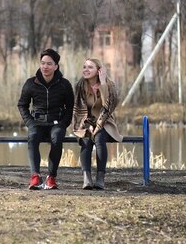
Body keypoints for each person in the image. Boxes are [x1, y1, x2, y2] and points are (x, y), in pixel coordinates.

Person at [17, 48, 75, 190]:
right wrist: (30, 122)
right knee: (33, 136)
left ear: (56, 66)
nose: (45, 67)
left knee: (57, 137)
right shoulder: (31, 83)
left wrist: (63, 123)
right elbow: (22, 105)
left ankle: (51, 177)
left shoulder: (64, 84)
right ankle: (35, 177)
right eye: (42, 63)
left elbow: (70, 107)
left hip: (56, 123)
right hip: (37, 122)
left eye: (49, 64)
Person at [72, 58, 122, 190]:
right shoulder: (80, 86)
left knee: (99, 138)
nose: (86, 70)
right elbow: (79, 111)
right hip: (85, 122)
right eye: (84, 67)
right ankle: (86, 178)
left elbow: (109, 106)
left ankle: (100, 178)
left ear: (98, 70)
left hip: (105, 121)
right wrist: (88, 125)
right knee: (86, 140)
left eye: (90, 67)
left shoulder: (110, 85)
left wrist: (103, 84)